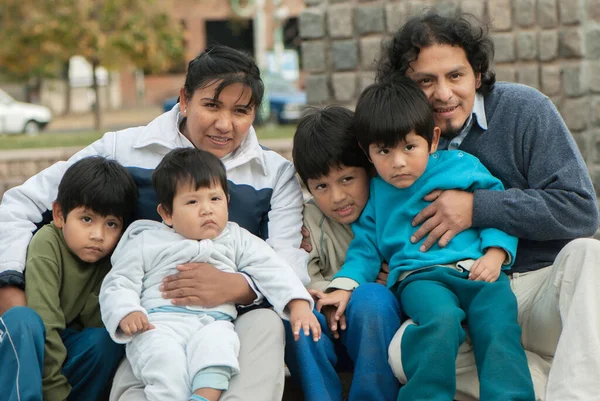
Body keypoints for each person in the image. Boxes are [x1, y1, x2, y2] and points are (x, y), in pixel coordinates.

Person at [0, 44, 308, 401]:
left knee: (268, 324)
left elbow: (286, 261)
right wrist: (10, 282)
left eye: (241, 111)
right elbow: (21, 203)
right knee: (149, 357)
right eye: (211, 105)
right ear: (185, 98)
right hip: (148, 318)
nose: (225, 124)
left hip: (230, 319)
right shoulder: (124, 149)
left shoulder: (273, 174)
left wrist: (236, 287)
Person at [378, 10, 600, 401]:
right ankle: (548, 381)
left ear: (477, 75)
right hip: (457, 301)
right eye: (425, 81)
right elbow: (361, 207)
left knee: (589, 254)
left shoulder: (525, 109)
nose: (443, 94)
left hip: (541, 289)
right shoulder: (396, 141)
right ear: (405, 86)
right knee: (401, 355)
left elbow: (580, 210)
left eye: (455, 76)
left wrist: (477, 208)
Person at [317, 77, 535, 401]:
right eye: (384, 151)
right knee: (440, 322)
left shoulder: (461, 167)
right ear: (368, 152)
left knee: (499, 320)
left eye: (409, 146)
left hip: (479, 269)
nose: (399, 162)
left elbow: (496, 208)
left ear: (432, 139)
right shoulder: (376, 193)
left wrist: (495, 254)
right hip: (421, 280)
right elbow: (364, 249)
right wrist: (343, 285)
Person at [100, 148, 318, 401]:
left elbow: (272, 268)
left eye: (215, 199)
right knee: (164, 363)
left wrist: (298, 303)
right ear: (167, 213)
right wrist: (126, 311)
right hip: (160, 325)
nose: (206, 210)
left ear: (227, 200)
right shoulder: (147, 241)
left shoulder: (236, 238)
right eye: (193, 202)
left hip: (214, 323)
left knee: (219, 350)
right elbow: (119, 281)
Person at [287, 106, 401, 401]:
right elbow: (304, 278)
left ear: (370, 167)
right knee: (296, 317)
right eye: (321, 186)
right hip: (328, 330)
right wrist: (332, 295)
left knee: (371, 299)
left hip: (380, 333)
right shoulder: (306, 220)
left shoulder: (394, 206)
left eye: (347, 179)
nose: (337, 197)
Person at [24, 156, 138, 401]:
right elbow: (46, 323)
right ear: (59, 215)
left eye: (111, 224)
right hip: (39, 346)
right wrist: (56, 393)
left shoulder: (115, 256)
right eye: (87, 219)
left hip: (75, 346)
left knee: (104, 341)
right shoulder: (48, 244)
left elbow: (97, 321)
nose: (98, 235)